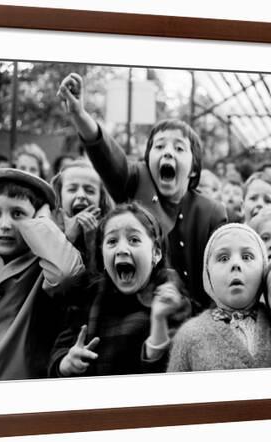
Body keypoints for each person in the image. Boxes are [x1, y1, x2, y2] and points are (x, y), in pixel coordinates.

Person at [57, 73, 227, 313]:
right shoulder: (136, 180)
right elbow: (108, 155)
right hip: (137, 314)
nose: (168, 152)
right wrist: (79, 115)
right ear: (148, 160)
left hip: (195, 319)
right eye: (159, 146)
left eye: (179, 148)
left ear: (194, 169)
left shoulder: (211, 212)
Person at [48, 203, 191, 377]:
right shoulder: (90, 294)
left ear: (156, 253)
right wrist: (66, 363)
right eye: (112, 241)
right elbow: (59, 351)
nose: (122, 250)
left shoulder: (170, 295)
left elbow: (174, 371)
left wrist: (158, 320)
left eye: (134, 240)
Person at [0, 168, 84, 381]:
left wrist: (43, 222)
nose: (5, 225)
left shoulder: (43, 263)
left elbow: (65, 273)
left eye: (18, 214)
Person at [167, 224, 271, 372]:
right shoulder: (189, 335)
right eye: (223, 258)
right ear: (207, 274)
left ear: (263, 268)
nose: (235, 264)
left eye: (247, 257)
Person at [51, 160, 113, 270]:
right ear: (59, 196)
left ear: (101, 199)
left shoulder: (110, 234)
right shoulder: (48, 231)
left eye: (89, 191)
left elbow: (98, 282)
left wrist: (91, 243)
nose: (81, 195)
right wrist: (68, 239)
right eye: (72, 189)